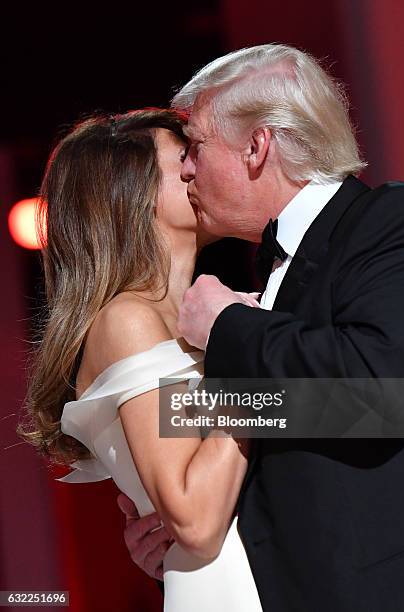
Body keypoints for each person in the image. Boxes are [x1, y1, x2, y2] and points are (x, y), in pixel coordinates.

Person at [120, 45, 404, 611]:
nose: (186, 168)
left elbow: (382, 394)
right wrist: (182, 538)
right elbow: (291, 417)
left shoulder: (388, 221)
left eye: (196, 146)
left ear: (257, 146)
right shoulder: (266, 270)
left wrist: (226, 325)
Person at [18, 108, 264, 611]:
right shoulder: (127, 319)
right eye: (185, 158)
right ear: (134, 195)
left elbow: (346, 414)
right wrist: (249, 361)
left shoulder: (195, 318)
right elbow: (194, 520)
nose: (201, 168)